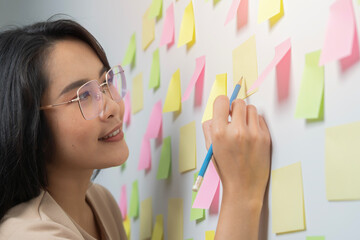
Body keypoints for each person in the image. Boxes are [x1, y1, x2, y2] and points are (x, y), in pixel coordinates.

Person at [0, 18, 271, 240]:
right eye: (84, 96)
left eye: (106, 82)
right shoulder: (28, 234)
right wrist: (240, 194)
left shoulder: (99, 202)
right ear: (30, 128)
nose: (113, 106)